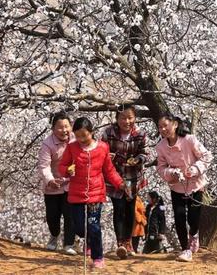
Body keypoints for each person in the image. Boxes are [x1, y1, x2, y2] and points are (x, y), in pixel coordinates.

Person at [58, 117, 131, 269]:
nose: (81, 139)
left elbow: (109, 171)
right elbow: (62, 166)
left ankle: (98, 257)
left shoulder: (102, 148)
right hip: (76, 193)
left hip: (96, 193)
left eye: (84, 135)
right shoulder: (72, 147)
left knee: (94, 225)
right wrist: (67, 170)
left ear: (92, 132)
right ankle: (88, 241)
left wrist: (120, 184)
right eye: (77, 136)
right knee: (79, 227)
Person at [155, 113, 212, 262]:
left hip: (195, 184)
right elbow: (160, 168)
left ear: (174, 124)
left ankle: (194, 234)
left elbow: (206, 156)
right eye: (160, 127)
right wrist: (172, 173)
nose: (163, 129)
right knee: (179, 217)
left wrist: (194, 169)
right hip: (176, 186)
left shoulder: (189, 140)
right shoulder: (160, 147)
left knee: (193, 217)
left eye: (165, 125)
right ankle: (185, 250)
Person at [100, 104, 148, 259]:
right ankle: (121, 243)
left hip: (133, 178)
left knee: (129, 210)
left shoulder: (140, 134)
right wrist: (108, 156)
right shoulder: (109, 133)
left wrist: (138, 159)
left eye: (130, 117)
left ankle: (128, 242)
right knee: (118, 209)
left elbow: (145, 153)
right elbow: (101, 150)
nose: (126, 121)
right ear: (116, 118)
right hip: (114, 177)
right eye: (122, 117)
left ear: (134, 118)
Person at [37, 111, 76, 255]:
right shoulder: (48, 144)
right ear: (53, 129)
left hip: (71, 184)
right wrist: (50, 180)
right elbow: (44, 166)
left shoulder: (75, 139)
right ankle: (54, 235)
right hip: (53, 185)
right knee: (52, 216)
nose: (64, 130)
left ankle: (69, 244)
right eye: (60, 127)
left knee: (70, 215)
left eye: (67, 126)